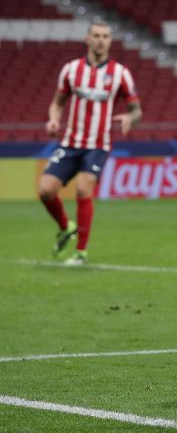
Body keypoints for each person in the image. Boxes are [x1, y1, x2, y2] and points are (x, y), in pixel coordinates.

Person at [38, 21, 142, 265]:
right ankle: (66, 227)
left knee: (84, 189)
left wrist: (130, 117)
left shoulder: (120, 73)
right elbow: (58, 102)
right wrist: (54, 120)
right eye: (96, 35)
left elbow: (137, 110)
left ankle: (81, 253)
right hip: (71, 142)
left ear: (110, 41)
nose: (100, 40)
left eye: (105, 36)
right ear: (87, 38)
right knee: (45, 190)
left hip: (98, 144)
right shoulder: (71, 70)